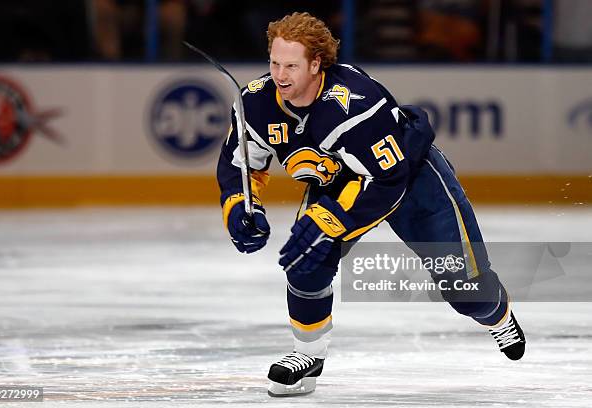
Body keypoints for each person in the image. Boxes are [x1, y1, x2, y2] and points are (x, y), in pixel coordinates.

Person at [216, 12, 526, 397]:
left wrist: (332, 219)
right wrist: (241, 207)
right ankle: (308, 356)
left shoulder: (357, 104)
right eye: (275, 63)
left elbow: (388, 181)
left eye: (292, 65)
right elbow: (239, 163)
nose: (280, 75)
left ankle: (498, 315)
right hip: (341, 180)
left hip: (411, 180)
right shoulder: (255, 103)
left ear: (316, 64)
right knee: (305, 261)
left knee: (466, 290)